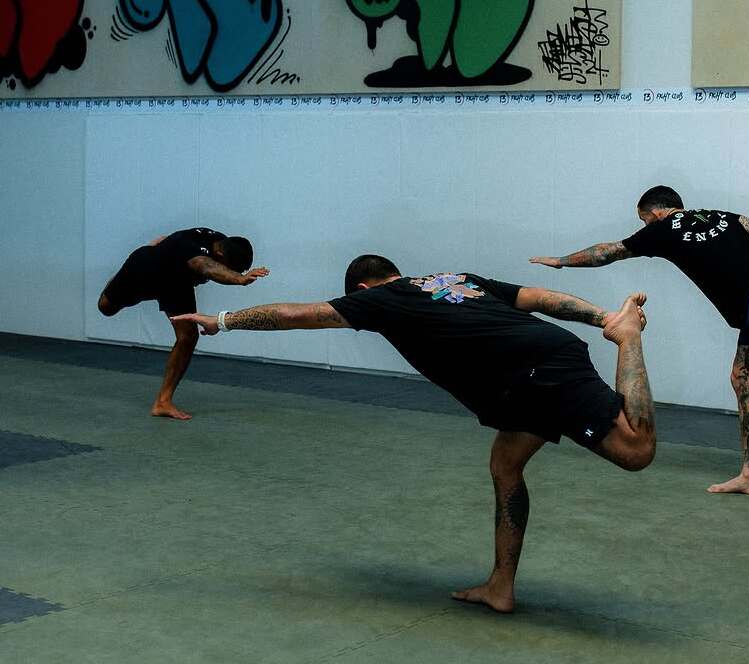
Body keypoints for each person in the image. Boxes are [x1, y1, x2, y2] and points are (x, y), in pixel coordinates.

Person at [173, 254, 656, 613]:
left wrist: (221, 321)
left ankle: (629, 339)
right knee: (506, 463)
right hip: (531, 370)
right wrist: (599, 316)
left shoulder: (379, 300)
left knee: (636, 451)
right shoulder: (455, 278)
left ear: (363, 288)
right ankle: (500, 587)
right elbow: (536, 297)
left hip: (532, 374)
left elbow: (298, 315)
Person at [530, 185, 749, 496]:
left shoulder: (661, 229)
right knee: (742, 379)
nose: (645, 226)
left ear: (656, 213)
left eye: (644, 220)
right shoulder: (721, 216)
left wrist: (561, 262)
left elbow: (609, 252)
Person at [98, 227, 270, 420]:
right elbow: (206, 267)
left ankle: (163, 402)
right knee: (105, 308)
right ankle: (119, 277)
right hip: (144, 271)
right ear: (219, 253)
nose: (226, 271)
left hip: (175, 283)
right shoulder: (196, 253)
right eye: (227, 267)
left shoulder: (223, 243)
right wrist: (239, 279)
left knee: (188, 336)